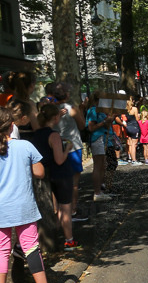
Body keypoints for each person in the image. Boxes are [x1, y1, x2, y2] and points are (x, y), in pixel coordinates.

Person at [0, 106, 60, 283]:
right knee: (31, 248)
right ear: (12, 126)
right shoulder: (25, 146)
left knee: (1, 251)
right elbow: (40, 172)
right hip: (24, 206)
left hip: (1, 208)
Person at [32, 103, 78, 248]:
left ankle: (54, 238)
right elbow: (59, 159)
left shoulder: (36, 135)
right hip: (61, 174)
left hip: (46, 174)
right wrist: (68, 148)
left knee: (55, 207)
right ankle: (69, 240)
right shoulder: (54, 135)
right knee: (66, 208)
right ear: (55, 117)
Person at [50, 82, 87, 220]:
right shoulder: (71, 108)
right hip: (72, 146)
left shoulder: (50, 110)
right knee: (74, 183)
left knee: (56, 181)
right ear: (67, 94)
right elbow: (82, 125)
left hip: (55, 146)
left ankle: (56, 211)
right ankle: (73, 210)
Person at [85, 92, 116, 202]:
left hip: (104, 139)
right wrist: (104, 122)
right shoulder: (93, 110)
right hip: (97, 139)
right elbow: (91, 127)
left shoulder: (101, 110)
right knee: (98, 166)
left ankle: (101, 190)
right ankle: (97, 192)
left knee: (103, 165)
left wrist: (109, 120)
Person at [124, 95, 142, 164]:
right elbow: (137, 119)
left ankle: (131, 159)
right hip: (134, 127)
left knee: (130, 144)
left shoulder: (125, 109)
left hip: (128, 127)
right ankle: (134, 160)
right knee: (134, 145)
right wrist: (139, 116)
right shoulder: (134, 109)